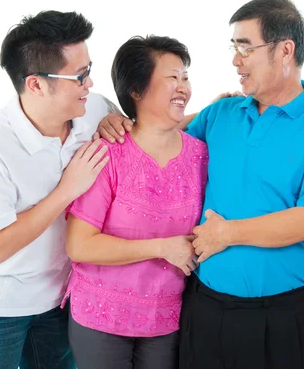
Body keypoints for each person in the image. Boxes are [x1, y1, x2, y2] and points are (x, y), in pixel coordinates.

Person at [97, 0, 304, 369]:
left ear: (285, 50)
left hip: (279, 317)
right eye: (234, 48)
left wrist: (227, 233)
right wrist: (116, 122)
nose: (236, 60)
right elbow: (160, 135)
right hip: (204, 308)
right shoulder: (222, 113)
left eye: (246, 48)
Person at [0, 10, 116, 368]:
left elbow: (146, 135)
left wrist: (214, 113)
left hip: (58, 298)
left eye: (89, 70)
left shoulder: (94, 108)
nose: (90, 84)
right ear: (36, 84)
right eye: (80, 76)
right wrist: (66, 190)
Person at [63, 35, 208, 369]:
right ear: (137, 90)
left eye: (185, 77)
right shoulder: (106, 154)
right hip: (101, 318)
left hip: (166, 318)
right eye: (172, 77)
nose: (183, 86)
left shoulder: (201, 156)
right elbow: (79, 245)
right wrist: (163, 247)